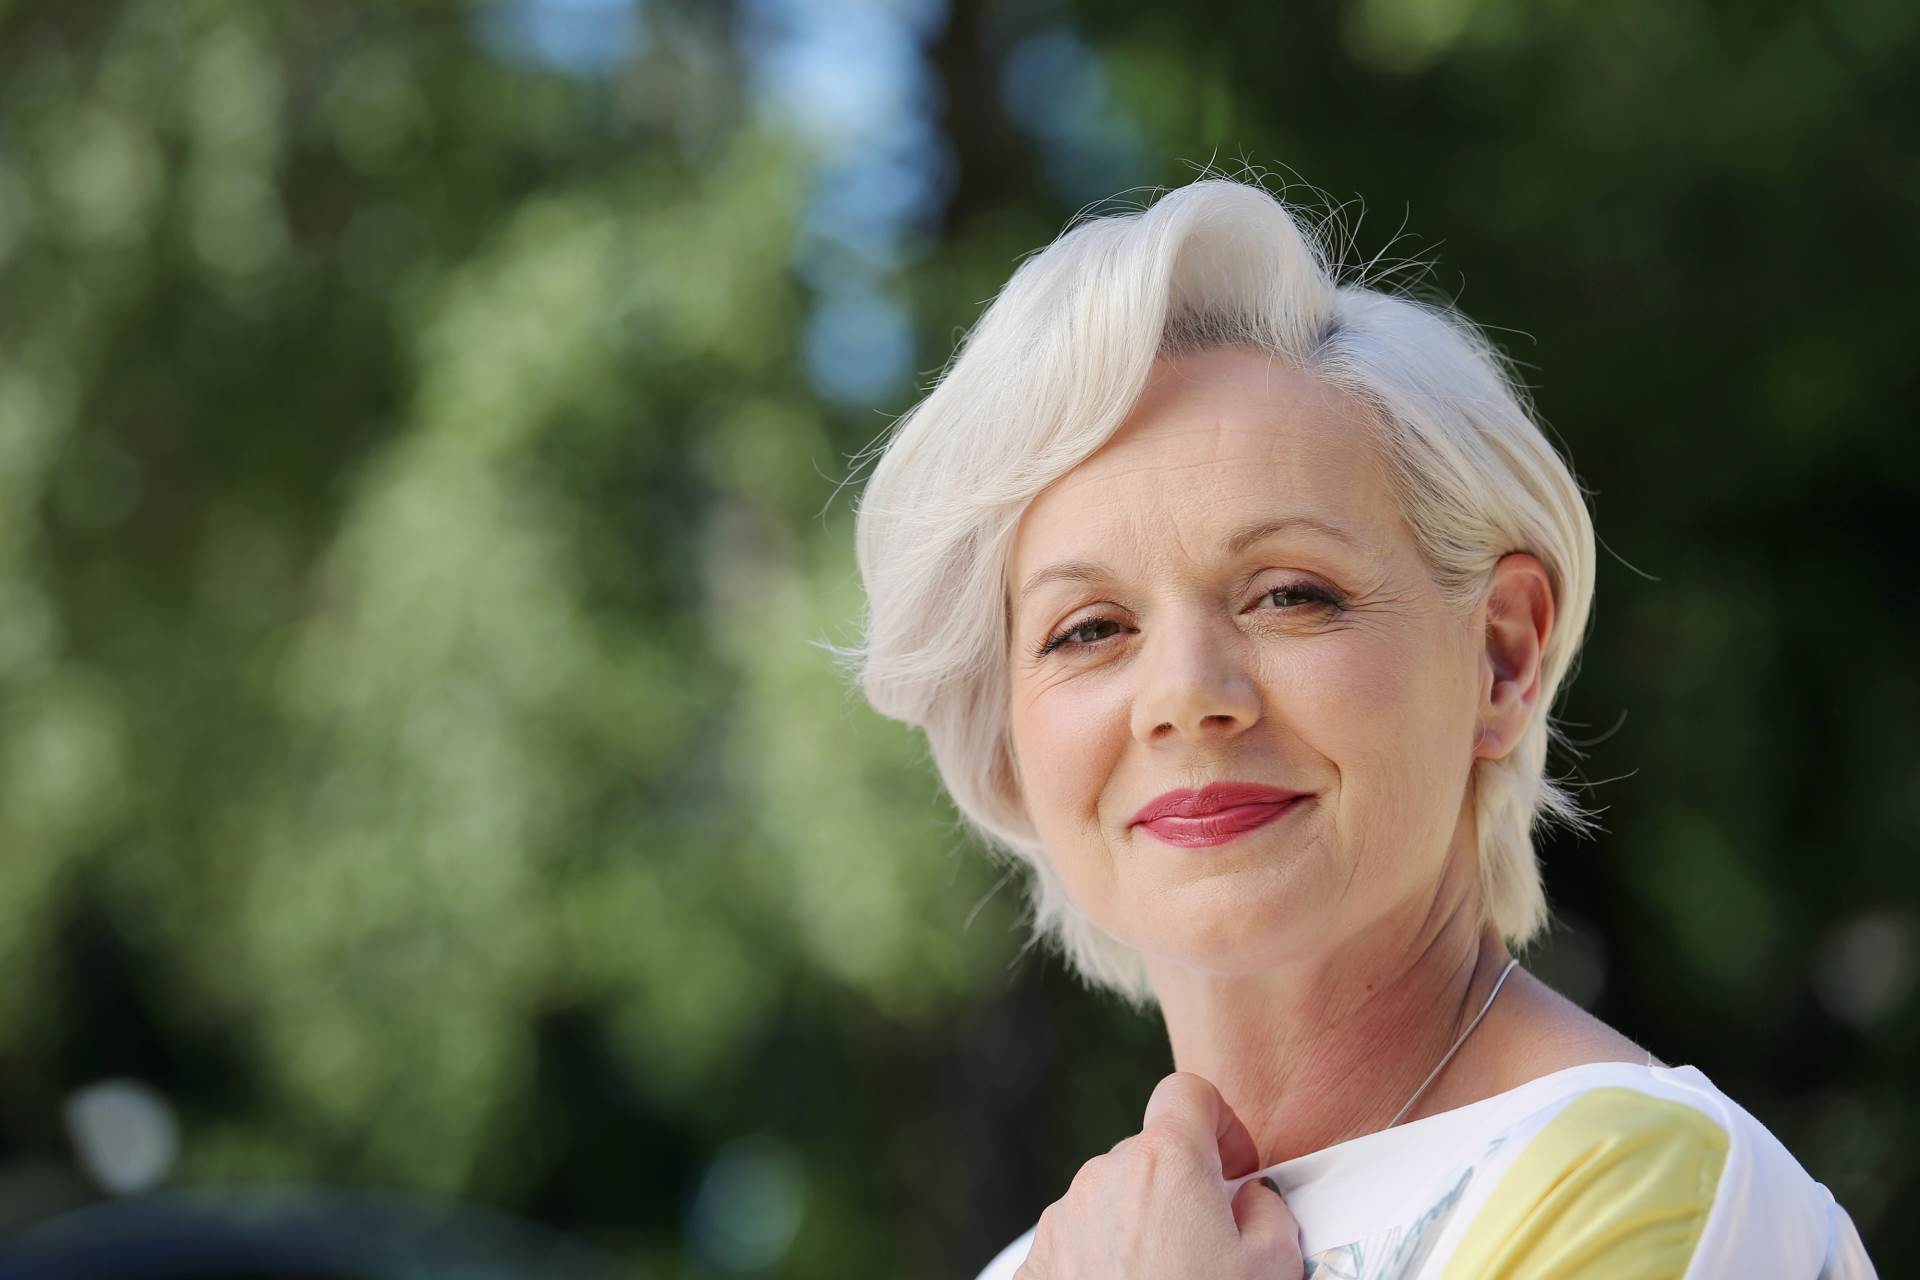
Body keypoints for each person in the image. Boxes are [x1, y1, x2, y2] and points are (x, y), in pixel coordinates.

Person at [829, 175, 1879, 1278]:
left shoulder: (1652, 1186)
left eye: (1290, 594)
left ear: (1501, 655)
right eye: (1089, 629)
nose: (1185, 694)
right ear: (1009, 738)